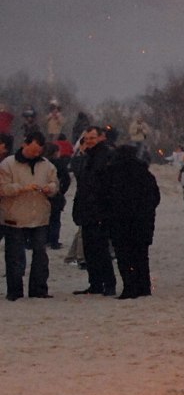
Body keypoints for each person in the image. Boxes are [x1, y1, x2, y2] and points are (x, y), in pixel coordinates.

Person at [1, 132, 60, 300]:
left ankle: (39, 289)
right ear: (24, 145)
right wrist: (22, 188)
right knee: (14, 256)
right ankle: (15, 291)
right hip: (14, 216)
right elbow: (2, 188)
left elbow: (55, 184)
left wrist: (50, 188)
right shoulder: (8, 164)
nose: (36, 154)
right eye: (33, 150)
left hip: (39, 216)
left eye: (38, 151)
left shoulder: (46, 165)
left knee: (41, 254)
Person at [101, 143, 160, 299]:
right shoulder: (145, 174)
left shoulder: (112, 174)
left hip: (120, 222)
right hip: (143, 223)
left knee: (124, 256)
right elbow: (155, 198)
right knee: (141, 255)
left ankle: (130, 287)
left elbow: (106, 198)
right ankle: (144, 287)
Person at [70, 126, 119, 296]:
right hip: (87, 209)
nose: (89, 141)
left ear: (101, 137)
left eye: (92, 137)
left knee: (101, 249)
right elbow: (79, 177)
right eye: (86, 138)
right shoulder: (87, 156)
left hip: (100, 209)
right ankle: (95, 283)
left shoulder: (105, 155)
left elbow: (100, 182)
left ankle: (108, 283)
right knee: (89, 250)